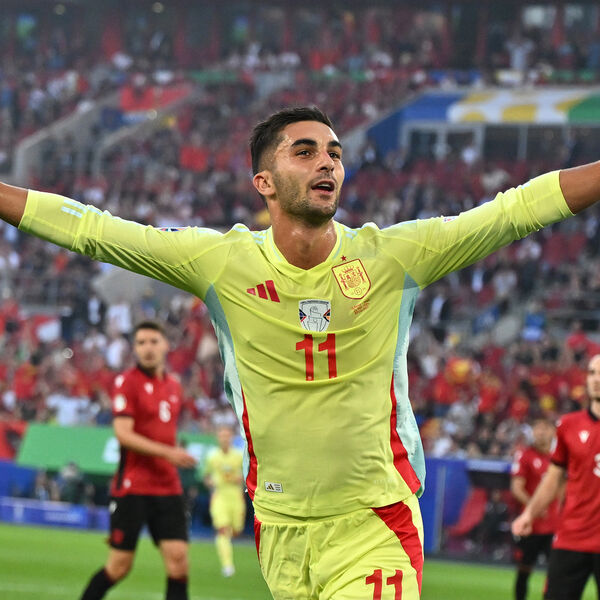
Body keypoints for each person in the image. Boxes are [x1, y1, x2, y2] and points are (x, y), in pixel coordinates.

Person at [0, 106, 598, 599]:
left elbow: (512, 212)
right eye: (305, 152)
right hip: (280, 531)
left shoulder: (392, 256)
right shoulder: (222, 263)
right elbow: (96, 230)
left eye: (334, 153)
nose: (327, 162)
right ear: (264, 182)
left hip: (374, 521)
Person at [79, 321, 197, 600]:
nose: (148, 348)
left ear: (165, 345)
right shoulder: (127, 382)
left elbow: (163, 430)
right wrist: (169, 453)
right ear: (134, 348)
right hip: (133, 486)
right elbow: (123, 434)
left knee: (179, 561)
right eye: (141, 343)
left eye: (153, 341)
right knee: (119, 566)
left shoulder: (173, 386)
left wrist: (172, 452)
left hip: (167, 485)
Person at [512, 354, 600, 600]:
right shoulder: (568, 425)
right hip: (571, 537)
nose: (596, 379)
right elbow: (552, 478)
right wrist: (529, 513)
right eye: (592, 373)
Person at [510, 417, 560, 600]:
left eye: (545, 428)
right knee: (524, 569)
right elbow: (517, 487)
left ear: (553, 432)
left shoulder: (559, 457)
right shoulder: (524, 455)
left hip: (555, 524)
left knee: (556, 571)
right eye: (537, 428)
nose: (541, 432)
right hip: (530, 525)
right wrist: (535, 507)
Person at [203, 425, 245, 577]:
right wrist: (210, 482)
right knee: (222, 529)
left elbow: (248, 475)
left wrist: (241, 479)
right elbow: (206, 476)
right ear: (218, 438)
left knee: (236, 530)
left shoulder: (239, 456)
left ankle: (226, 544)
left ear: (231, 438)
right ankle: (227, 566)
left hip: (236, 497)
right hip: (220, 496)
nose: (224, 439)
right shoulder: (212, 456)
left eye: (227, 436)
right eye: (222, 436)